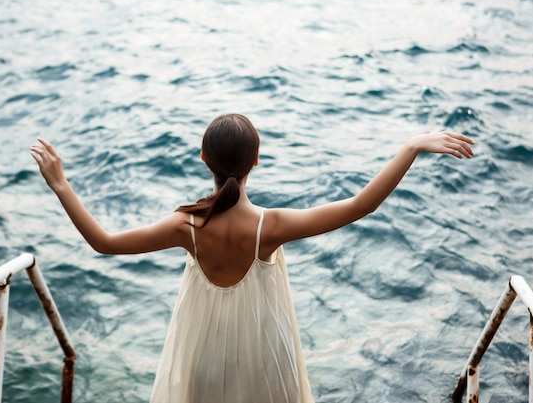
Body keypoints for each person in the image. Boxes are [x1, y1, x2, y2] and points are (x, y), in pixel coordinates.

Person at [30, 113, 474, 403]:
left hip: (200, 359)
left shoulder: (185, 226)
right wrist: (410, 147)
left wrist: (62, 185)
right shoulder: (270, 227)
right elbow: (361, 206)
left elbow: (103, 242)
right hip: (265, 362)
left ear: (204, 159)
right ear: (256, 161)